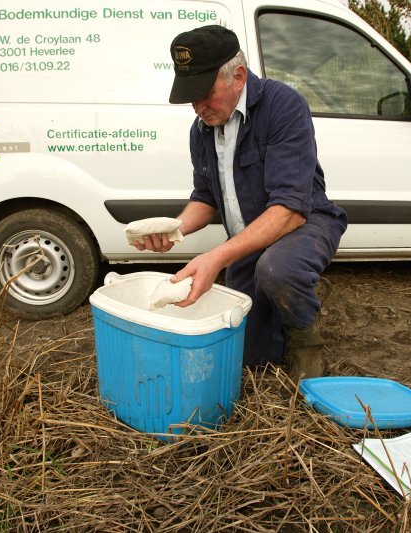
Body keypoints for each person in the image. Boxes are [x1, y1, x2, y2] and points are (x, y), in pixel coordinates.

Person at [134, 24, 347, 378]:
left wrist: (216, 258)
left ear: (238, 75)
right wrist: (175, 228)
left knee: (278, 269)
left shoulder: (283, 106)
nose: (197, 106)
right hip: (250, 241)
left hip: (306, 224)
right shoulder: (201, 130)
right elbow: (205, 196)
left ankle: (305, 337)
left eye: (204, 92)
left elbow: (290, 211)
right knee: (250, 357)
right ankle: (281, 303)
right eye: (190, 95)